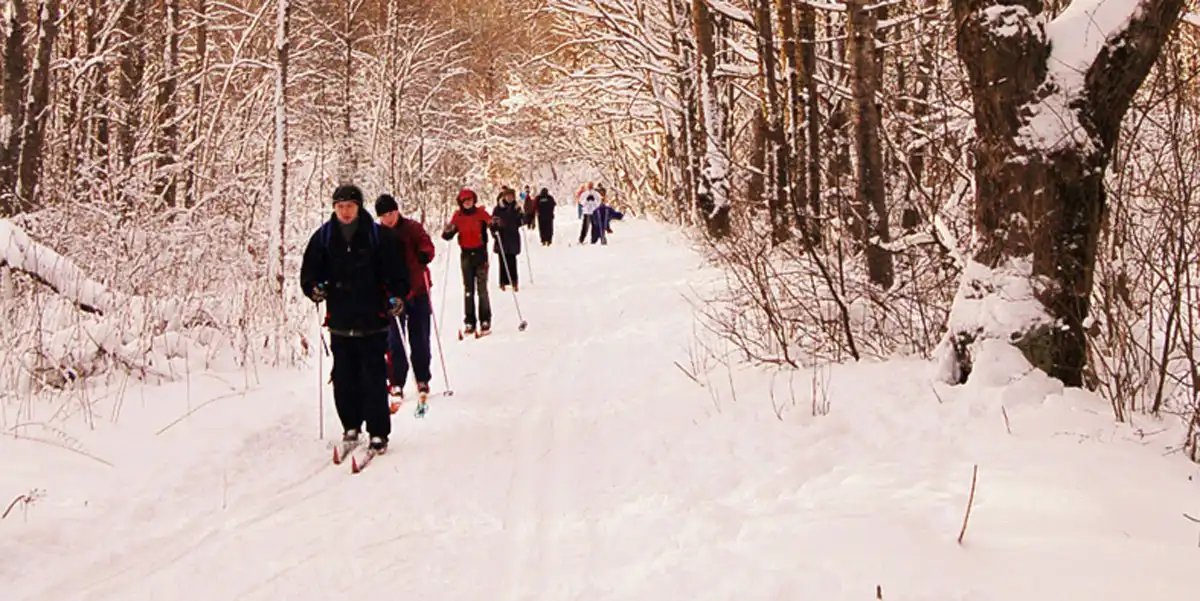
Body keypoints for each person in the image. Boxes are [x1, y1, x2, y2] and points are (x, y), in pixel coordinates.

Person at [300, 184, 409, 455]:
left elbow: (397, 272)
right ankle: (350, 425)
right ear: (334, 209)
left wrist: (397, 296)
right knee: (344, 377)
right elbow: (309, 272)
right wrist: (314, 288)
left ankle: (378, 431)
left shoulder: (378, 236)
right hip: (339, 319)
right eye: (340, 207)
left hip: (373, 317)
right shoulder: (324, 237)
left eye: (349, 206)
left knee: (373, 376)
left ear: (359, 207)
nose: (345, 212)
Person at [375, 194, 436, 412]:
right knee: (394, 340)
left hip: (418, 289)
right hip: (393, 295)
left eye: (391, 214)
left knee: (420, 336)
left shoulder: (412, 228)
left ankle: (422, 377)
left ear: (397, 211)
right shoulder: (378, 234)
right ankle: (397, 381)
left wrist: (424, 255)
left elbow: (427, 245)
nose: (388, 219)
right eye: (383, 216)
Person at [442, 188, 493, 336]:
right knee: (468, 289)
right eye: (465, 201)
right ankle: (469, 320)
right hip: (465, 255)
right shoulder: (458, 216)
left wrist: (495, 225)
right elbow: (449, 232)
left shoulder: (480, 213)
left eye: (470, 200)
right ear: (461, 203)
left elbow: (491, 222)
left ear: (474, 200)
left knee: (482, 289)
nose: (468, 203)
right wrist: (448, 232)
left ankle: (485, 319)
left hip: (480, 253)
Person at [492, 187, 524, 291]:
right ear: (504, 196)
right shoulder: (498, 208)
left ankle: (514, 281)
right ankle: (502, 282)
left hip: (513, 236)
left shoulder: (516, 207)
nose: (509, 198)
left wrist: (523, 218)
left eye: (511, 196)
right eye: (508, 196)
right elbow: (493, 222)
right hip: (502, 236)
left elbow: (522, 221)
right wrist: (494, 231)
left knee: (512, 260)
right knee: (502, 260)